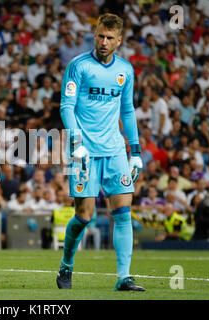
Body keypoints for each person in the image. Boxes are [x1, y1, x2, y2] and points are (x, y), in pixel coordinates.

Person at [57, 14, 144, 291]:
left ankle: (123, 277)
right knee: (83, 215)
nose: (104, 42)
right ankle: (67, 264)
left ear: (119, 40)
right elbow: (66, 108)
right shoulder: (78, 66)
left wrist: (136, 151)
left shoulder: (126, 71)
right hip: (83, 152)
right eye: (100, 36)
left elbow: (127, 111)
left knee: (122, 211)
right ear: (95, 35)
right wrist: (76, 142)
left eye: (109, 38)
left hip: (115, 151)